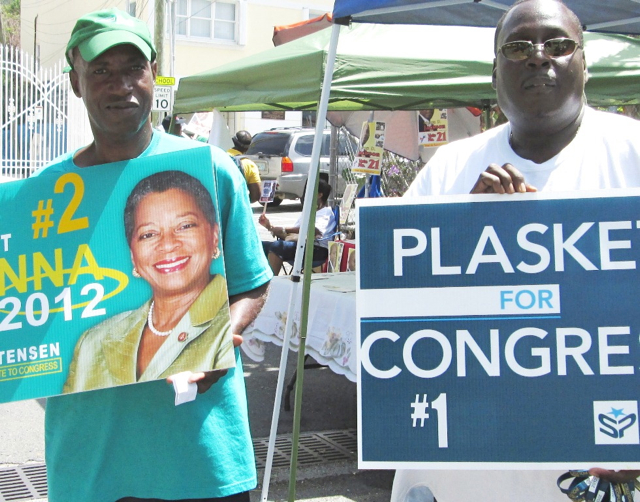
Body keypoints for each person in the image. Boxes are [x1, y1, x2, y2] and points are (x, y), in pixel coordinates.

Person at [395, 0, 640, 500]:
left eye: (558, 45)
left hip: (605, 448)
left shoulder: (632, 152)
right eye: (518, 47)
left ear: (585, 63)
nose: (538, 57)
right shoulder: (448, 169)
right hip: (467, 459)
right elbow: (396, 309)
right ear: (494, 72)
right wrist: (463, 231)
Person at [35, 8, 271, 501]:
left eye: (132, 68)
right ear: (75, 81)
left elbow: (251, 282)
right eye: (100, 71)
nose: (119, 85)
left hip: (201, 458)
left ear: (153, 73)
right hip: (89, 468)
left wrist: (225, 333)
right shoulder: (43, 199)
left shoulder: (212, 170)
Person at [64, 171, 235, 393]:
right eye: (148, 234)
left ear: (214, 237)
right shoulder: (91, 342)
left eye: (185, 226)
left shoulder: (225, 328)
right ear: (133, 255)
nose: (168, 244)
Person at [259, 179, 335, 275]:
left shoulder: (326, 212)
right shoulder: (307, 211)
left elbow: (314, 231)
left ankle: (271, 283)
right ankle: (259, 279)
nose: (306, 195)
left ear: (320, 195)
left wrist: (284, 229)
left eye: (310, 191)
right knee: (260, 245)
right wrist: (270, 227)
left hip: (315, 250)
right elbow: (291, 235)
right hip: (300, 246)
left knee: (277, 246)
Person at [228, 130, 261, 203]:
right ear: (248, 148)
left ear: (233, 141)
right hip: (238, 210)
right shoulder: (250, 165)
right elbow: (256, 196)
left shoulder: (219, 156)